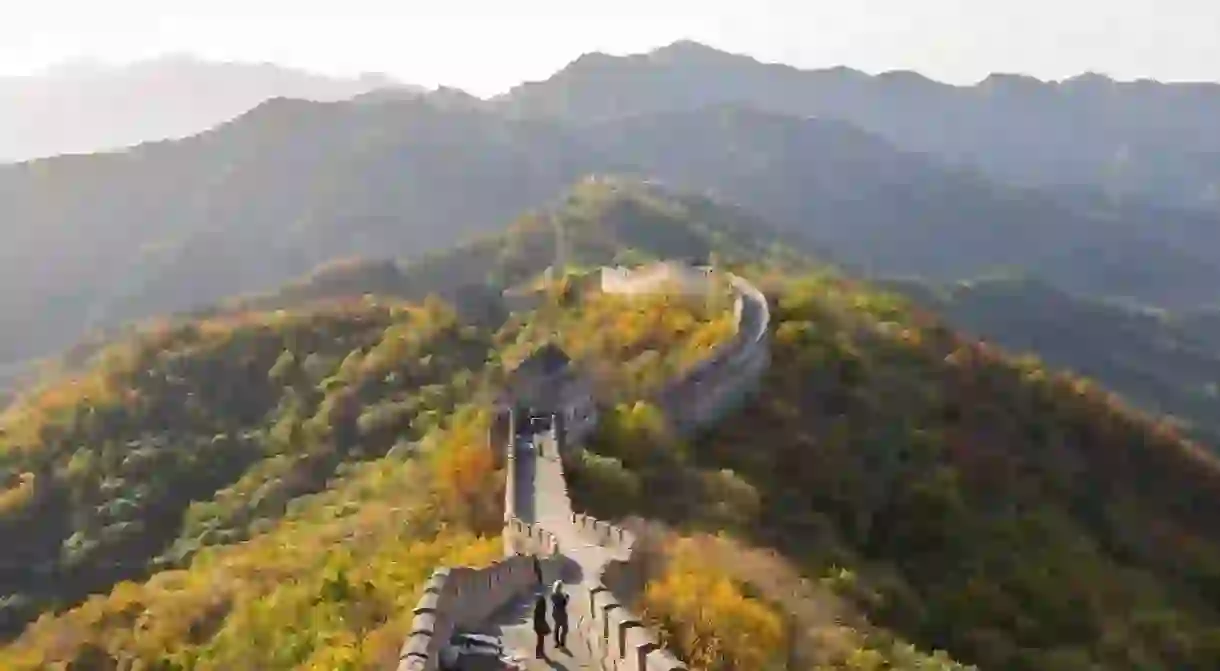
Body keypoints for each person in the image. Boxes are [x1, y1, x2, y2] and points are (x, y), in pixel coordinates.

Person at [551, 580, 570, 649]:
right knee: (565, 628)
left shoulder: (553, 595)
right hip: (561, 612)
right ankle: (561, 642)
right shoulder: (561, 595)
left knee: (557, 627)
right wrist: (567, 598)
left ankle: (557, 642)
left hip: (555, 612)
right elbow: (563, 604)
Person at [532, 593, 550, 659]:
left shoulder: (537, 608)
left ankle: (540, 653)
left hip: (538, 625)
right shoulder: (541, 609)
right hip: (539, 625)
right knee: (540, 640)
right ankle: (539, 653)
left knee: (540, 639)